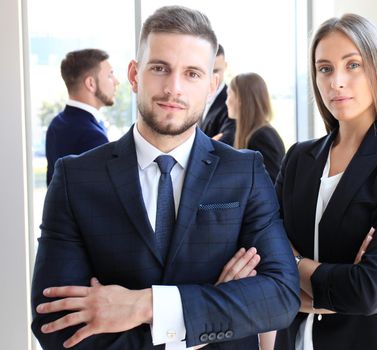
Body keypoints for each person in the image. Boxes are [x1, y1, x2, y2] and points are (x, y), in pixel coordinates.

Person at [31, 5, 299, 350]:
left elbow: (280, 296)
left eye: (192, 74)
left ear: (211, 85)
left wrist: (147, 306)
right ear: (134, 74)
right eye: (160, 68)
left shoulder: (244, 172)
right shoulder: (75, 178)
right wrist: (207, 312)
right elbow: (55, 324)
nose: (174, 88)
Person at [273, 14, 377, 350]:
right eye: (325, 68)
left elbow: (368, 291)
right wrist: (333, 285)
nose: (337, 82)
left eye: (353, 65)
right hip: (294, 340)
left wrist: (293, 264)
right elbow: (262, 252)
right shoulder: (297, 159)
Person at [45, 48, 119, 185]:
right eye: (110, 75)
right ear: (91, 83)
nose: (116, 81)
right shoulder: (93, 136)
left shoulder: (57, 123)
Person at [226, 72, 285, 183]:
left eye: (229, 94)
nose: (226, 101)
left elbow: (271, 187)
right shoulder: (256, 133)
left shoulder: (261, 137)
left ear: (241, 99)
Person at [199, 44, 236, 145]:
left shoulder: (232, 104)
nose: (211, 77)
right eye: (206, 71)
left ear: (225, 66)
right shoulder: (192, 96)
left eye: (216, 71)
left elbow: (226, 143)